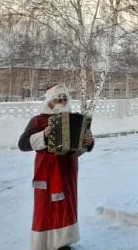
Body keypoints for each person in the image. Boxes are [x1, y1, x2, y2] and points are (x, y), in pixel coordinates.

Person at [18, 84, 94, 250]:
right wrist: (43, 135)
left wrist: (89, 143)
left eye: (64, 98)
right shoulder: (39, 120)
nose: (62, 101)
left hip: (68, 171)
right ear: (50, 101)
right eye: (58, 98)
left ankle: (63, 243)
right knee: (46, 207)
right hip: (47, 171)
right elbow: (22, 144)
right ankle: (45, 244)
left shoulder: (74, 118)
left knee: (67, 205)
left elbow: (83, 142)